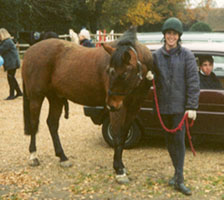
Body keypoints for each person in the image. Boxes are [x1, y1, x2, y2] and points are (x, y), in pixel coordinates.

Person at [152, 17, 200, 195]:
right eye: (168, 33)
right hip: (163, 107)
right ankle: (176, 174)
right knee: (169, 143)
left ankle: (179, 179)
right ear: (164, 35)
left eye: (174, 34)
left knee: (179, 143)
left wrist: (192, 106)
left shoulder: (186, 55)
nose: (171, 36)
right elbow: (152, 77)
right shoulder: (156, 56)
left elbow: (193, 82)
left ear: (178, 36)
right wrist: (149, 76)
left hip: (180, 108)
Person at [0, 28, 22, 100]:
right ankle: (19, 92)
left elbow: (1, 50)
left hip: (12, 63)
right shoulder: (6, 41)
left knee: (10, 78)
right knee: (12, 77)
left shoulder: (7, 42)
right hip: (11, 62)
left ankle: (11, 95)